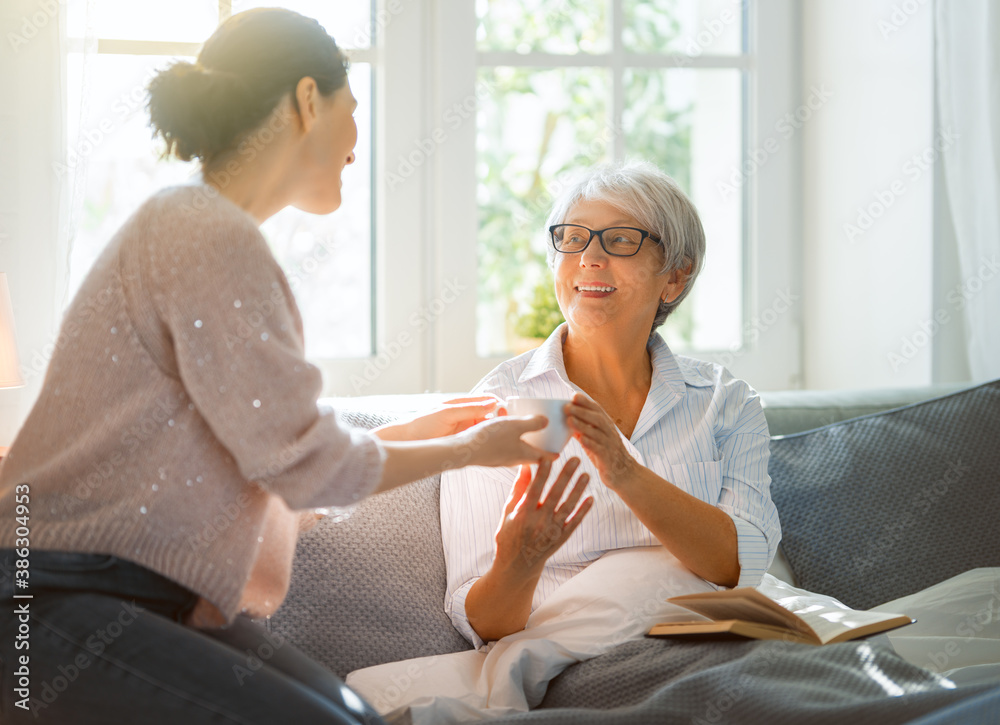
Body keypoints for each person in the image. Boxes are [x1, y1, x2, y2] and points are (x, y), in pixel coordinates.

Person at [0, 9, 556, 724]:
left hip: (119, 599)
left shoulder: (199, 226)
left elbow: (276, 464)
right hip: (49, 602)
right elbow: (305, 465)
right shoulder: (204, 233)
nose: (358, 143)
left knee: (352, 713)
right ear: (304, 100)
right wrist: (470, 449)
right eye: (351, 111)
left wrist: (417, 431)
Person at [441, 161, 782, 648]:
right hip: (579, 658)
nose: (589, 258)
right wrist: (521, 561)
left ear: (675, 277)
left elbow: (741, 563)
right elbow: (486, 624)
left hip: (714, 647)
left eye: (621, 240)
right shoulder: (497, 409)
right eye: (573, 238)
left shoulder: (725, 402)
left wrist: (626, 472)